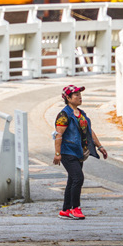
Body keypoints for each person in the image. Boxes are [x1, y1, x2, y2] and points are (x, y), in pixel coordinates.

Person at [52, 84, 107, 219]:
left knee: (72, 180)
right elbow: (58, 135)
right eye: (76, 95)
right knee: (78, 178)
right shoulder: (64, 115)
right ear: (68, 98)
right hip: (67, 152)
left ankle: (65, 210)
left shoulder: (81, 114)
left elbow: (89, 131)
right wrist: (58, 154)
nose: (79, 97)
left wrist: (99, 146)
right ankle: (75, 208)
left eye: (80, 95)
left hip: (79, 152)